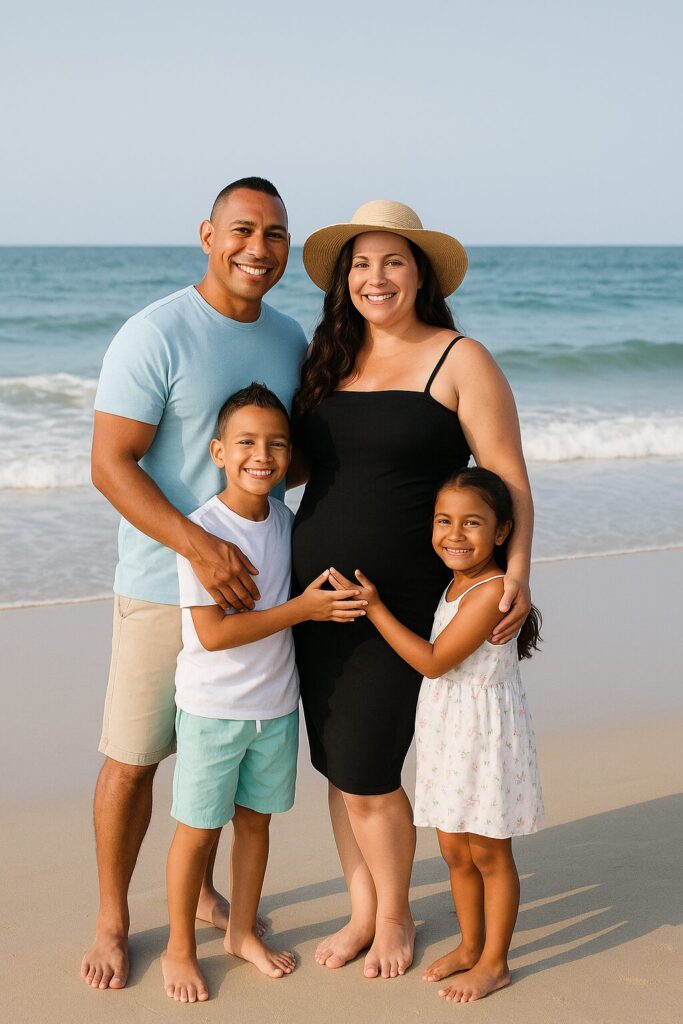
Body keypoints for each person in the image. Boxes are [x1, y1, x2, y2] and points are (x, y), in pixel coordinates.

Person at [290, 200, 534, 980]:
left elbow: (508, 481)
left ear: (420, 273)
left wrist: (517, 576)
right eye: (360, 264)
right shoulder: (329, 360)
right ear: (343, 280)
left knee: (369, 763)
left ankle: (394, 914)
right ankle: (361, 909)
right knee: (336, 762)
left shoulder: (459, 357)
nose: (375, 277)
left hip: (404, 601)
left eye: (392, 261)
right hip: (316, 595)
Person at [83, 178, 309, 991]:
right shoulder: (155, 333)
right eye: (243, 230)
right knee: (135, 758)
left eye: (276, 235)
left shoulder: (289, 339)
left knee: (220, 754)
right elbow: (110, 464)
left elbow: (296, 453)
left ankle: (204, 893)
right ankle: (114, 915)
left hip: (256, 584)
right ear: (208, 234)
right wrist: (199, 549)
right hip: (159, 583)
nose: (259, 248)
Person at [161, 383, 366, 1003]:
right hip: (213, 709)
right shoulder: (202, 534)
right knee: (197, 831)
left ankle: (242, 932)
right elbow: (214, 633)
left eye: (277, 444)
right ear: (218, 451)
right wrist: (302, 610)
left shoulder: (286, 522)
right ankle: (178, 947)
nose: (263, 454)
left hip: (276, 708)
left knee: (256, 826)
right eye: (247, 442)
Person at [327, 467, 543, 1002]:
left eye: (472, 523)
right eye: (444, 520)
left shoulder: (491, 592)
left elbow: (433, 661)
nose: (454, 534)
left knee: (490, 854)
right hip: (451, 739)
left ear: (501, 532)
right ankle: (470, 945)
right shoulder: (456, 583)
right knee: (453, 852)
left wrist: (375, 608)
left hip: (484, 744)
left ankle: (495, 961)